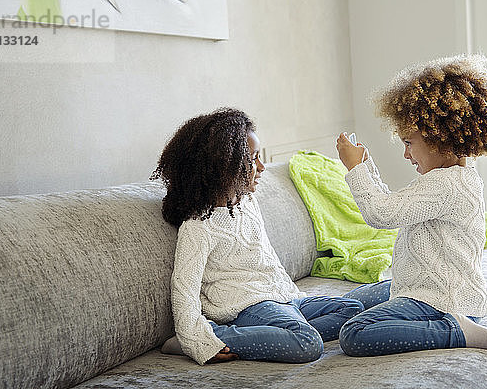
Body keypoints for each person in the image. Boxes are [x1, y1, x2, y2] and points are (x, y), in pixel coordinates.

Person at [335, 54, 487, 357]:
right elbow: (396, 205)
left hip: (439, 301)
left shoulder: (443, 185)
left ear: (440, 138)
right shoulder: (453, 179)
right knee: (353, 300)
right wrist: (366, 169)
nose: (406, 154)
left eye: (409, 142)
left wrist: (354, 170)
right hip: (433, 288)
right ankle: (297, 314)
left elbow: (380, 214)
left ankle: (455, 331)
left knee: (353, 333)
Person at [150, 108, 364, 365]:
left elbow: (267, 260)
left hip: (286, 300)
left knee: (352, 310)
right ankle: (213, 336)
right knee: (307, 343)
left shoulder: (248, 203)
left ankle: (279, 334)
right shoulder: (198, 228)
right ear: (224, 166)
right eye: (253, 159)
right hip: (250, 307)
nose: (262, 167)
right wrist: (194, 338)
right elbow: (184, 288)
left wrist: (291, 297)